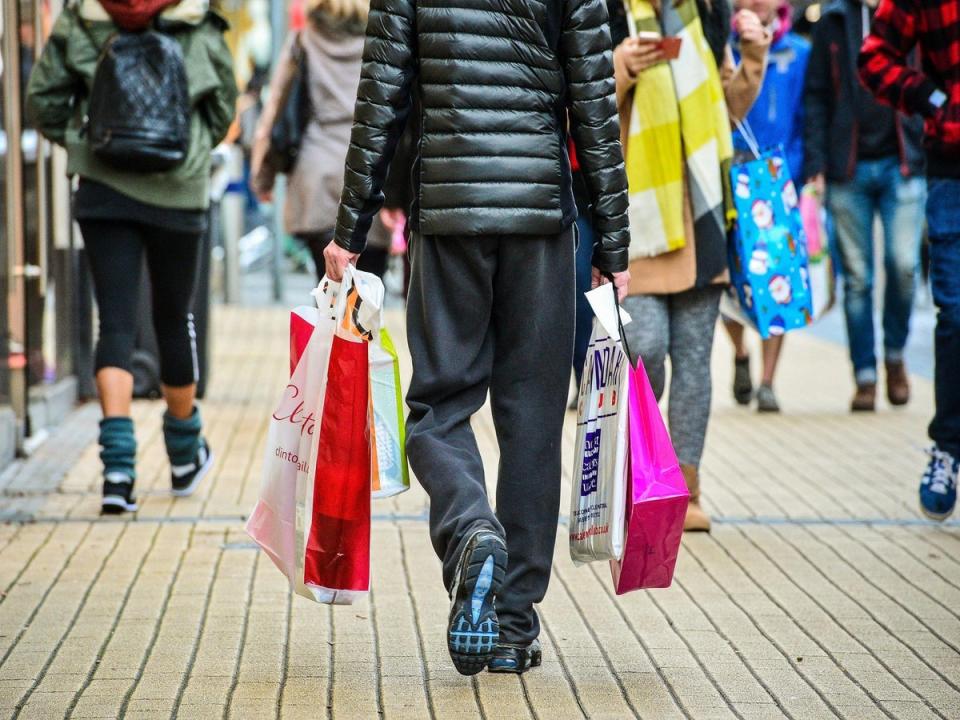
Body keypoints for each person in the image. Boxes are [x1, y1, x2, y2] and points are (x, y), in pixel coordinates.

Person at [325, 0, 631, 676]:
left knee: (439, 405)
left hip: (449, 204)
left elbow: (383, 95)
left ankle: (470, 532)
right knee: (531, 419)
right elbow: (594, 99)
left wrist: (350, 232)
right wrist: (614, 239)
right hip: (540, 216)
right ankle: (514, 627)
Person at [26, 0, 237, 513]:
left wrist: (86, 143)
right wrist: (189, 155)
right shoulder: (195, 17)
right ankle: (185, 456)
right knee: (173, 317)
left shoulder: (84, 18)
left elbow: (44, 101)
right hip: (179, 192)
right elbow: (222, 106)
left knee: (115, 325)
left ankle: (118, 473)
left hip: (103, 187)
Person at [613, 0, 768, 532]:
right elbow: (577, 108)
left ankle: (686, 491)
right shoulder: (612, 12)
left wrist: (753, 54)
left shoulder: (704, 13)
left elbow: (728, 108)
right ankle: (643, 472)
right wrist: (621, 67)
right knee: (646, 347)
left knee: (696, 361)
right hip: (641, 218)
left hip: (702, 218)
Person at [859, 0, 960, 518]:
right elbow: (873, 58)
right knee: (955, 314)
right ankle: (947, 445)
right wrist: (935, 97)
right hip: (950, 167)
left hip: (920, 169)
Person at [805, 0, 927, 413]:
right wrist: (816, 164)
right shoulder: (834, 20)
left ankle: (894, 354)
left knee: (904, 266)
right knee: (857, 280)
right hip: (847, 167)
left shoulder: (912, 13)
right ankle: (865, 375)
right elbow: (817, 96)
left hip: (905, 161)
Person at [251, 0, 392, 282]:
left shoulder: (304, 40)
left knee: (327, 289)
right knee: (368, 296)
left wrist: (262, 177)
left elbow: (275, 112)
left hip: (316, 177)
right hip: (371, 175)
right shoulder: (384, 40)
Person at [723, 0, 810, 413]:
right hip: (730, 175)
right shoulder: (723, 45)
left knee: (779, 276)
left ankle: (769, 381)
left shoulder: (799, 52)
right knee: (726, 278)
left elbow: (807, 118)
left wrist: (794, 171)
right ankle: (739, 352)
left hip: (778, 178)